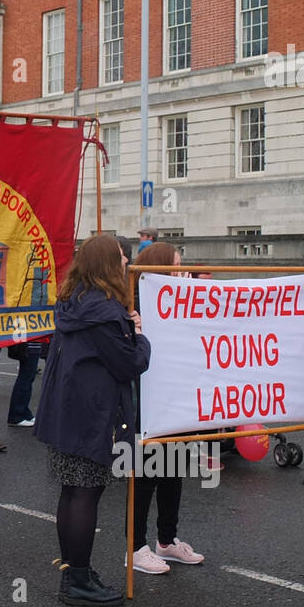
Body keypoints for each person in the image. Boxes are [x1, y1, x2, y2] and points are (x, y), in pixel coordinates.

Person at [34, 234, 150, 607]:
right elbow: (129, 364)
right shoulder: (105, 310)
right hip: (91, 414)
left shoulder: (73, 300)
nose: (125, 263)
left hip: (66, 411)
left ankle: (74, 571)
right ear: (105, 265)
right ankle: (78, 581)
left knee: (71, 491)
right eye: (120, 258)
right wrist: (141, 335)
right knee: (85, 492)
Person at [127, 242, 204, 574]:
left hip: (178, 398)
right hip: (149, 401)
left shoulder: (181, 299)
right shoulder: (138, 305)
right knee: (146, 474)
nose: (181, 270)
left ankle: (167, 540)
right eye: (176, 265)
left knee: (174, 469)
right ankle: (135, 546)